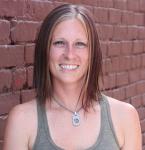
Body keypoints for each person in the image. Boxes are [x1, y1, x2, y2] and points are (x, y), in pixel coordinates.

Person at [3, 4, 141, 150]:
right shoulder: (22, 120)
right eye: (59, 43)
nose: (69, 54)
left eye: (80, 44)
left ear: (92, 54)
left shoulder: (124, 117)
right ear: (45, 50)